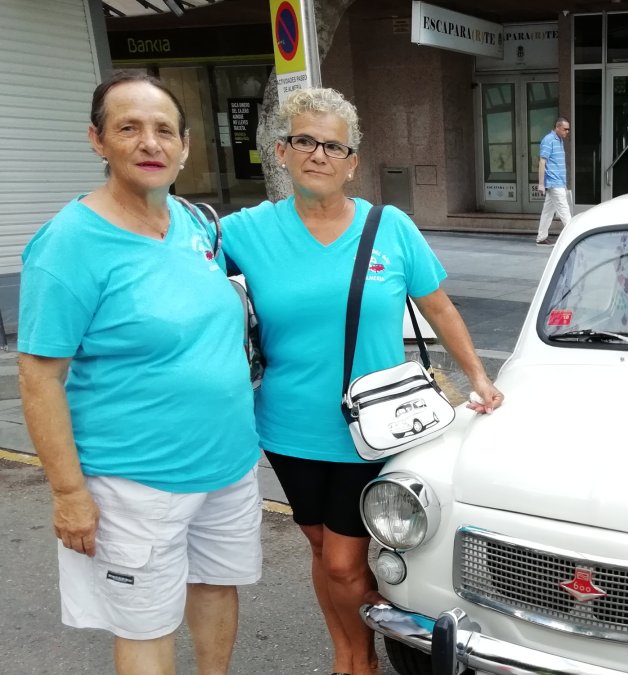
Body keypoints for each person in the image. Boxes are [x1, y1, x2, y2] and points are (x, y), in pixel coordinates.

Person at [219, 88, 504, 675]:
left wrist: (478, 376)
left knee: (347, 559)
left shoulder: (389, 227)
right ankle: (348, 646)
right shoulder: (244, 232)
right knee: (323, 548)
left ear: (352, 161)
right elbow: (181, 262)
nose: (318, 154)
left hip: (374, 426)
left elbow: (441, 308)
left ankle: (360, 658)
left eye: (333, 146)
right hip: (288, 426)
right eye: (304, 141)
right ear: (281, 152)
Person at [18, 72, 261, 674]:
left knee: (214, 588)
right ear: (98, 141)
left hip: (227, 467)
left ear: (183, 145)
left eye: (163, 130)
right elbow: (39, 377)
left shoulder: (194, 223)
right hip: (135, 482)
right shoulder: (70, 243)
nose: (149, 143)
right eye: (129, 128)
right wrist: (70, 495)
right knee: (146, 624)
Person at [535, 116, 572, 246]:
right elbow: (542, 162)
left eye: (568, 129)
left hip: (558, 183)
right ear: (557, 127)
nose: (567, 132)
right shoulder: (548, 140)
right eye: (565, 129)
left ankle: (541, 237)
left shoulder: (559, 140)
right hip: (554, 183)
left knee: (548, 212)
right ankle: (573, 237)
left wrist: (564, 184)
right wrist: (540, 184)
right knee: (565, 212)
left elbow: (557, 164)